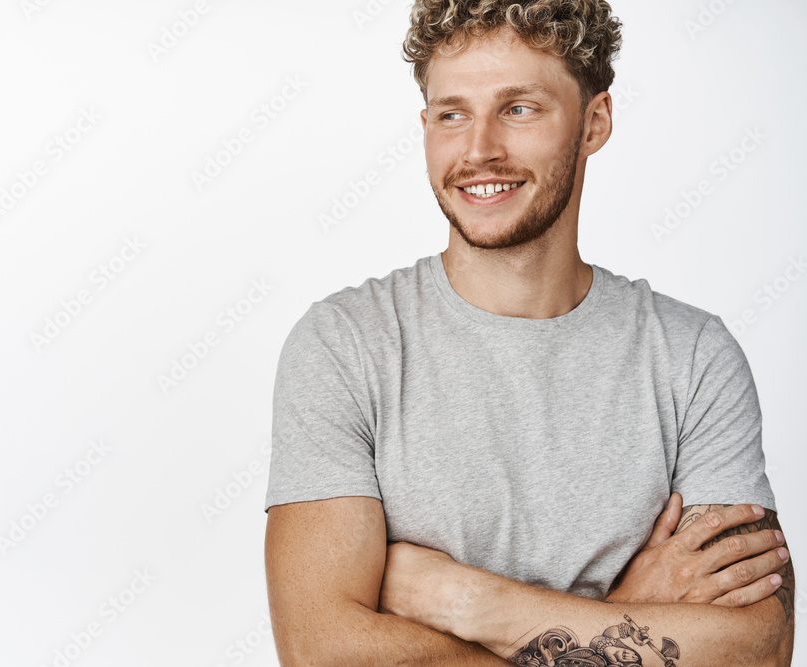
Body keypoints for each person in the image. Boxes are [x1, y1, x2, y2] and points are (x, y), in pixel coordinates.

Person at [263, 1, 796, 664]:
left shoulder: (692, 357)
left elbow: (758, 647)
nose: (479, 149)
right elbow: (322, 652)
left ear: (594, 122)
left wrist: (465, 599)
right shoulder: (345, 346)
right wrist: (624, 615)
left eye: (518, 109)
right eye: (452, 114)